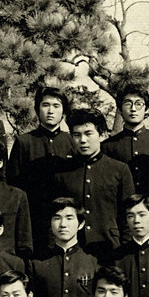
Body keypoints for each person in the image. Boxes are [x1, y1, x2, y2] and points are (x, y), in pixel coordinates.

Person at [53, 108, 136, 259]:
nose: (82, 140)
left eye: (88, 133)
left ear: (102, 134)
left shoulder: (119, 170)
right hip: (74, 251)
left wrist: (124, 254)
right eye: (77, 135)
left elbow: (128, 216)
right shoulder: (62, 173)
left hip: (111, 249)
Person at [6, 86, 75, 253]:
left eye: (56, 106)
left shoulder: (71, 141)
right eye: (45, 105)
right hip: (34, 219)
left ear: (64, 111)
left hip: (67, 220)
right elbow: (13, 184)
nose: (50, 111)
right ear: (37, 109)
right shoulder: (24, 142)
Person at [29, 197, 99, 297]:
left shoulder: (93, 261)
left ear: (81, 224)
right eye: (57, 218)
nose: (62, 224)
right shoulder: (36, 263)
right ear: (50, 223)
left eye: (69, 218)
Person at [101, 85, 149, 193]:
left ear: (146, 109)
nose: (133, 109)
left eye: (138, 104)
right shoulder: (107, 146)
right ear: (120, 109)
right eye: (128, 104)